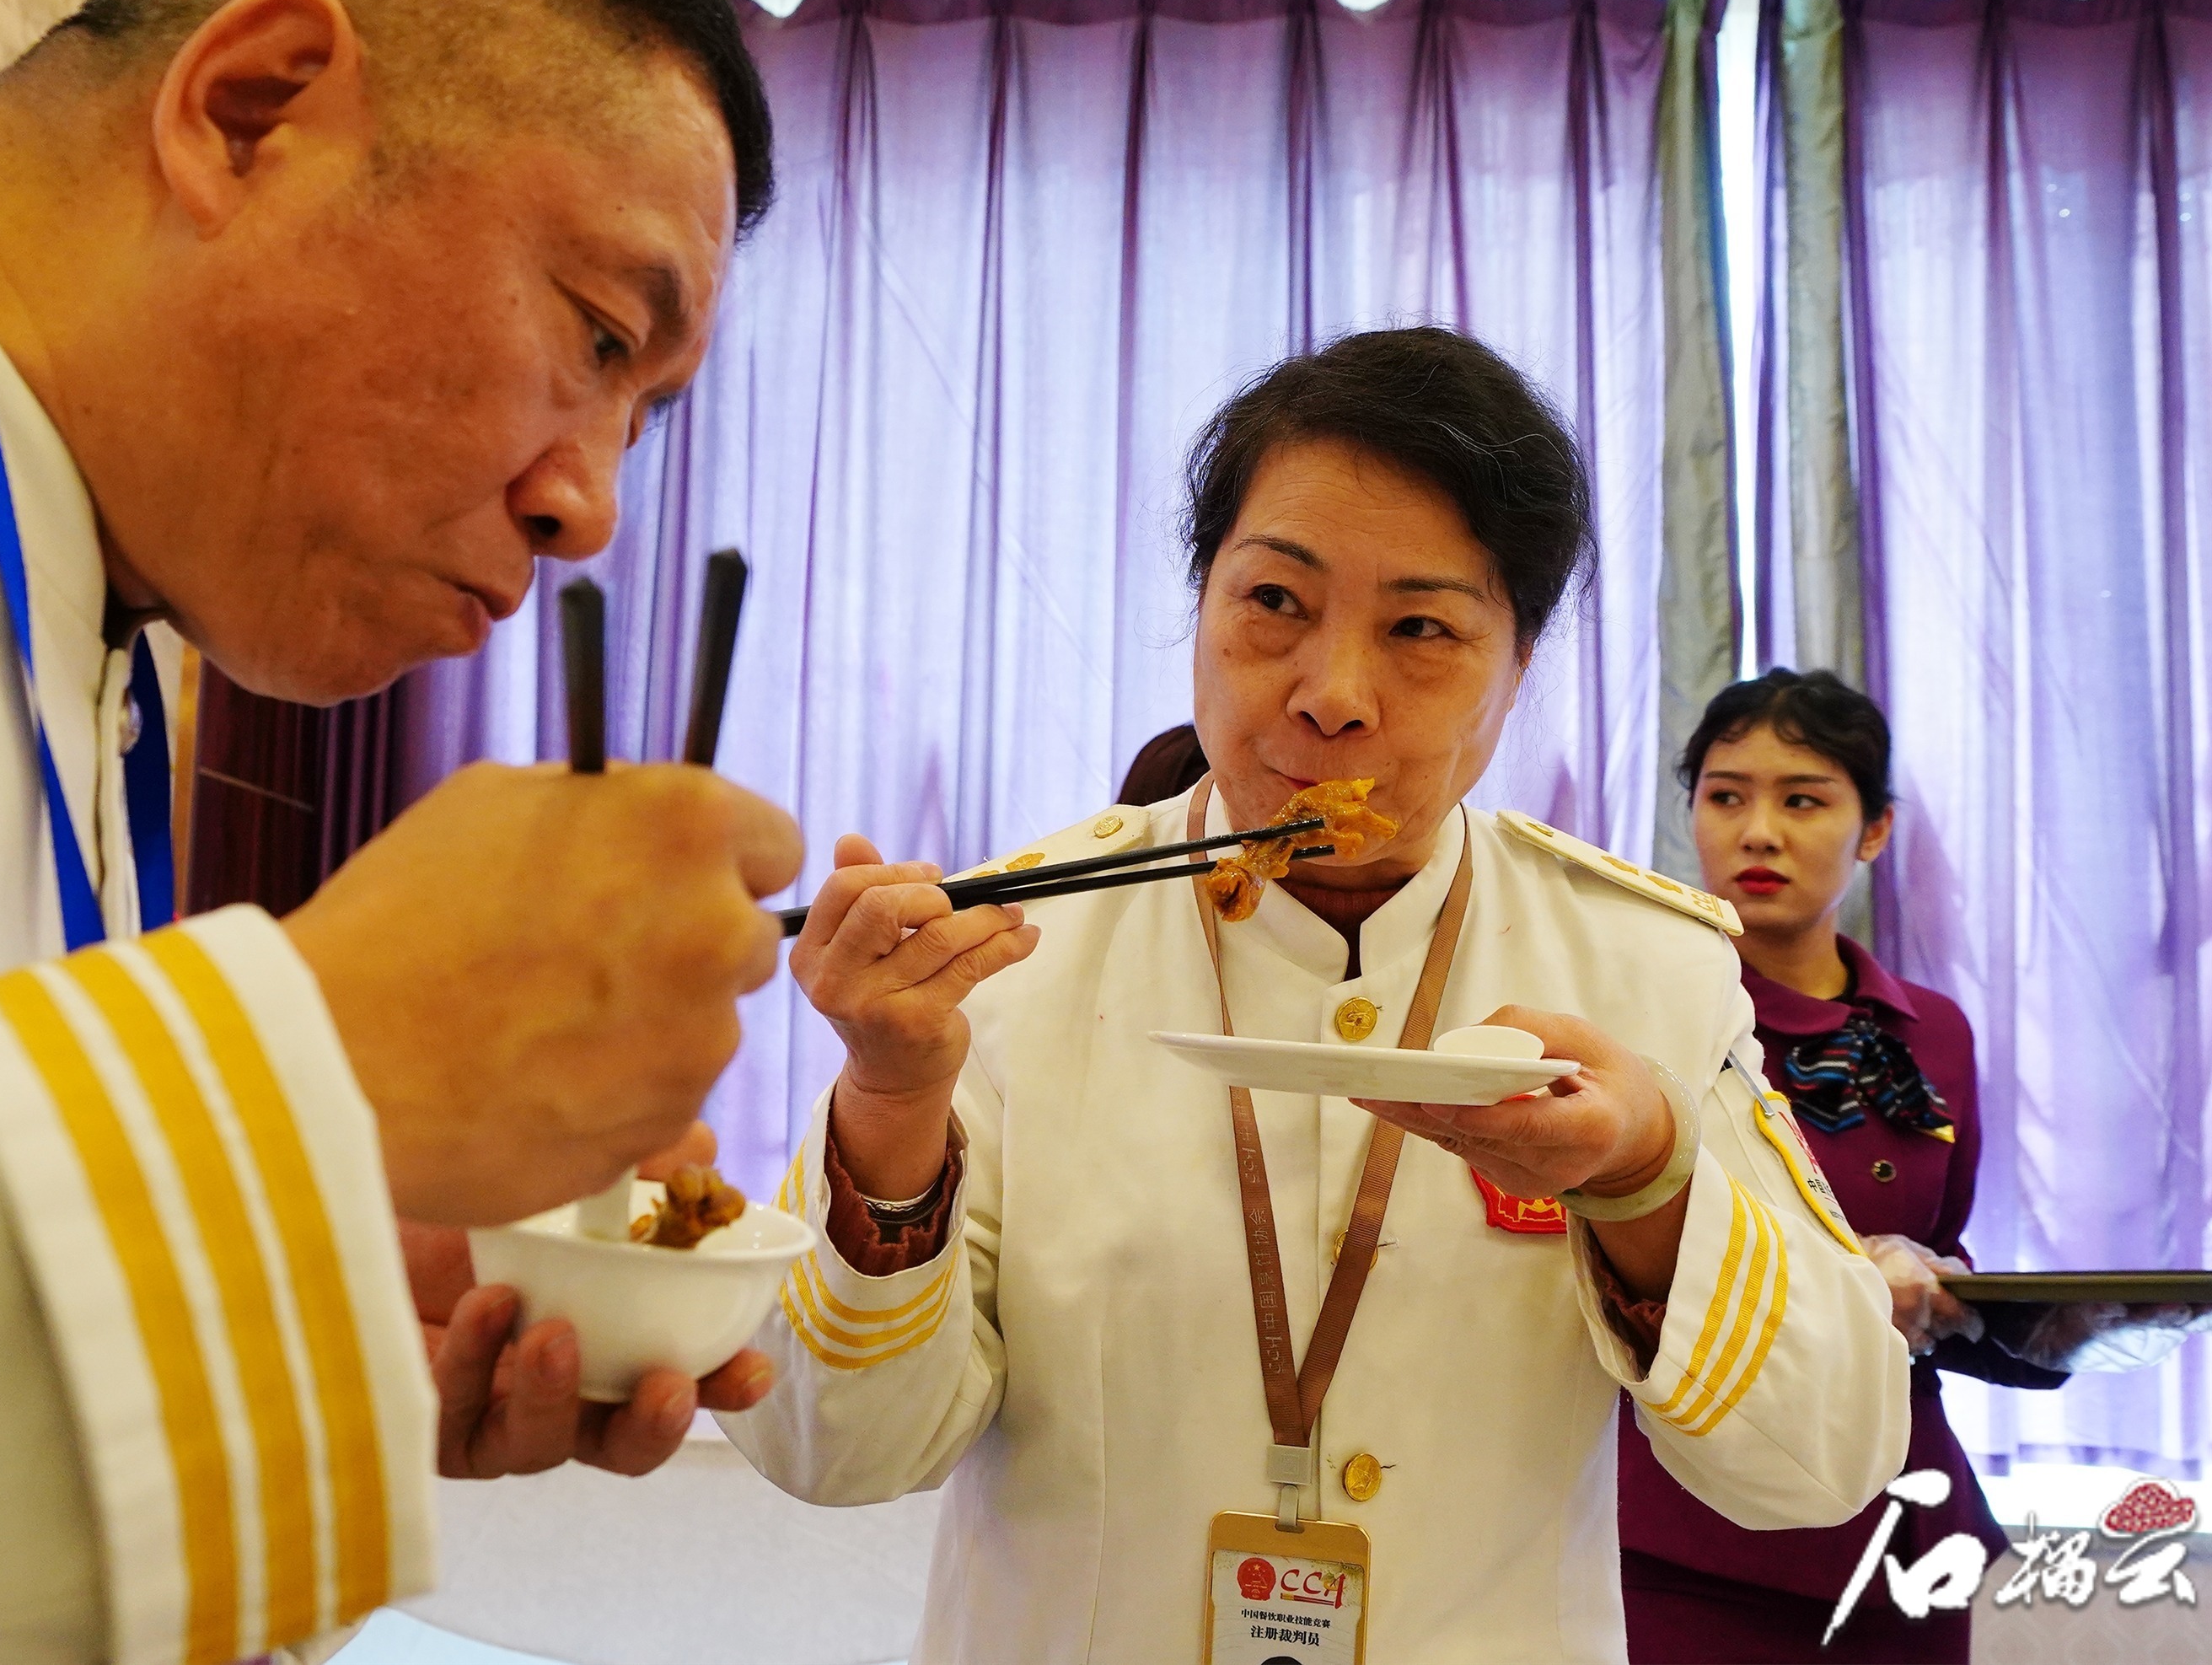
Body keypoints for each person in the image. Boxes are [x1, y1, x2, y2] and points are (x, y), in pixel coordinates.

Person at [0, 0, 804, 1662]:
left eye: (644, 413)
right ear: (248, 114)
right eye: (599, 333)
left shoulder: (78, 596)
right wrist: (303, 1067)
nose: (591, 507)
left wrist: (279, 1271)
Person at [722, 328, 1911, 1662]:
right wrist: (891, 1100)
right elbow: (831, 1446)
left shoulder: (1644, 968)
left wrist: (1645, 1178)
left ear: (1518, 671)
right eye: (1274, 602)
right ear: (1203, 606)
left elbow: (1825, 1461)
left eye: (1421, 629)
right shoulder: (1014, 951)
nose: (1332, 695)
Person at [1619, 669, 2197, 1663]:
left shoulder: (1933, 1032)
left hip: (1896, 1513)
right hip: (1690, 1523)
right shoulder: (1642, 1011)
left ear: (1875, 829)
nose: (1759, 830)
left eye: (1803, 798)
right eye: (1725, 795)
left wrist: (2042, 1324)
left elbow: (1932, 1258)